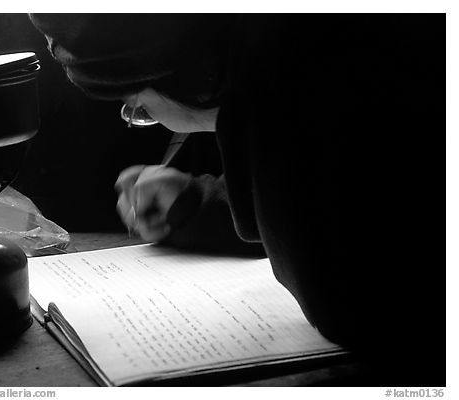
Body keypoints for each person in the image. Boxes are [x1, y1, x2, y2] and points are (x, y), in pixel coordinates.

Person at [29, 14, 445, 385]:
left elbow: (349, 304)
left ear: (188, 75)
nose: (141, 113)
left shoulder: (324, 77)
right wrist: (194, 201)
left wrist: (245, 116)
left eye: (136, 105)